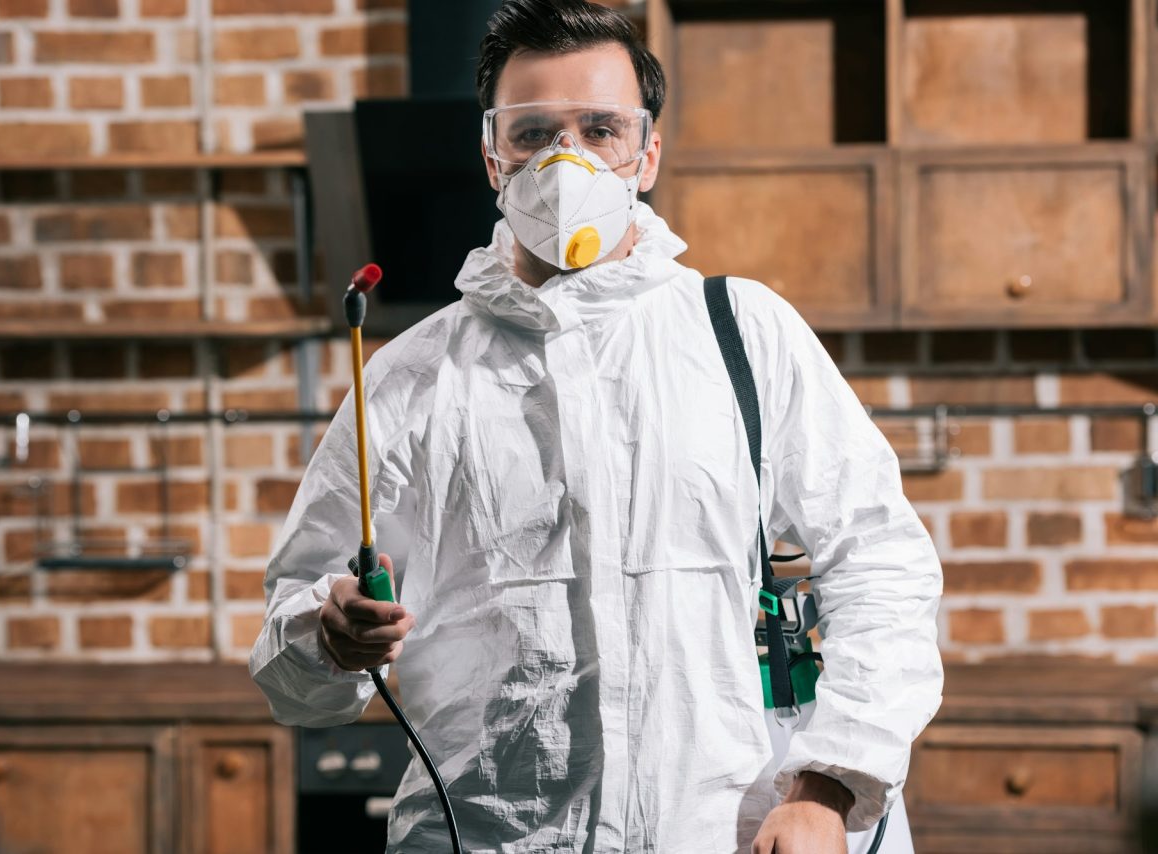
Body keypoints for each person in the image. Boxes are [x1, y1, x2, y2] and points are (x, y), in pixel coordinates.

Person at [250, 1, 944, 852]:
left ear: (646, 154)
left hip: (726, 836)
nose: (566, 159)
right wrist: (328, 633)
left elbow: (883, 566)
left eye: (601, 129)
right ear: (491, 155)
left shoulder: (743, 335)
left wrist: (827, 788)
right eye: (533, 131)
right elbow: (295, 675)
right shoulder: (410, 380)